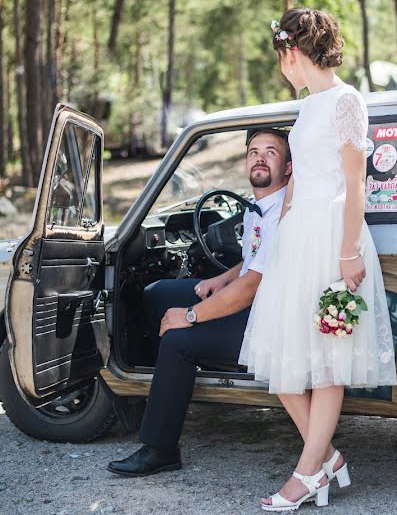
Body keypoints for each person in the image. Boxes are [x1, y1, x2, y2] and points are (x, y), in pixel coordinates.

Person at [238, 8, 397, 511]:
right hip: (298, 236)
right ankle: (326, 457)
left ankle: (307, 476)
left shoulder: (347, 101)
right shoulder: (306, 106)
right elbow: (298, 180)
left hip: (333, 236)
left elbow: (356, 184)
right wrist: (279, 235)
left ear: (293, 50)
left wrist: (349, 251)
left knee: (328, 362)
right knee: (284, 359)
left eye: (282, 53)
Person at [107, 129, 291, 477]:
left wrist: (190, 317)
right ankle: (165, 388)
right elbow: (254, 262)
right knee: (158, 292)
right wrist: (221, 279)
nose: (260, 158)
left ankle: (160, 448)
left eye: (271, 152)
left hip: (266, 317)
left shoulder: (281, 211)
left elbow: (252, 286)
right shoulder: (259, 207)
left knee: (178, 340)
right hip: (254, 300)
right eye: (253, 151)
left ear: (289, 167)